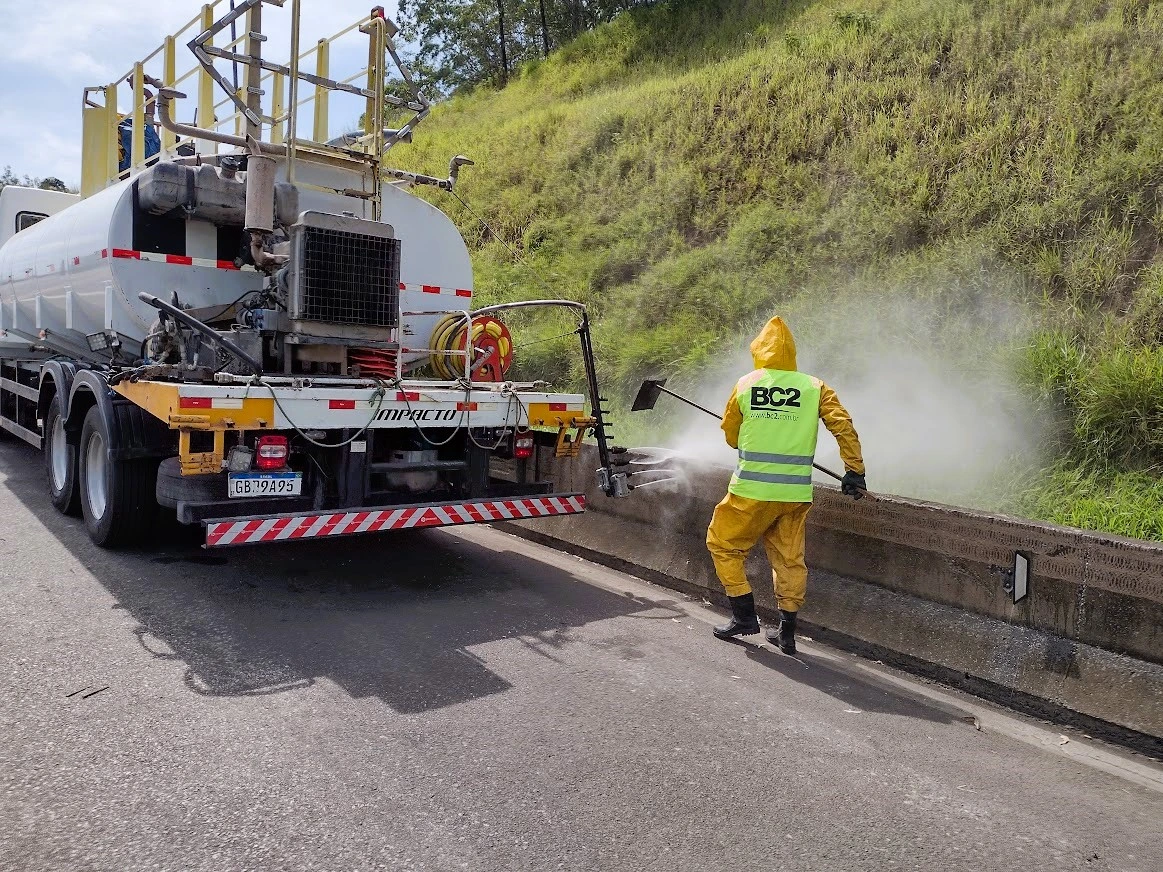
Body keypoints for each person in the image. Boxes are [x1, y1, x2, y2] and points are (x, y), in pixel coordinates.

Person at [705, 316, 866, 654]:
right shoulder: (814, 386)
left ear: (759, 352)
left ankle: (744, 616)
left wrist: (749, 438)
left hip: (750, 492)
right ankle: (787, 633)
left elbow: (731, 434)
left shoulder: (747, 384)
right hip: (794, 495)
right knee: (789, 561)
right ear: (791, 352)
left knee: (723, 544)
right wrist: (854, 470)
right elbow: (843, 425)